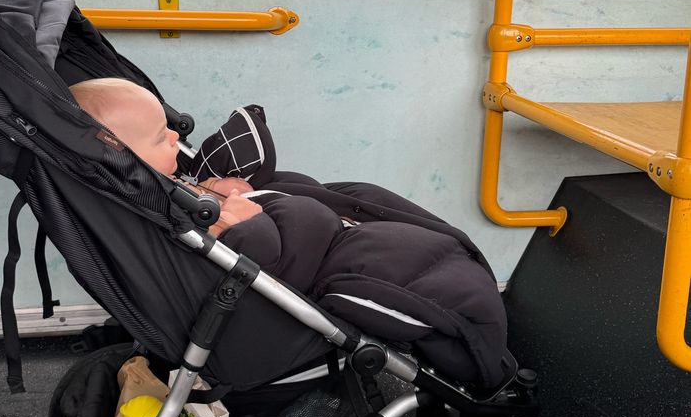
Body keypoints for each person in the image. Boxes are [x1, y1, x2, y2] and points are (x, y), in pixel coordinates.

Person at [69, 77, 508, 389]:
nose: (173, 137)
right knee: (408, 266)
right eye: (157, 137)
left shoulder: (152, 183)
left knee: (353, 202)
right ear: (121, 155)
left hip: (285, 225)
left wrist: (217, 188)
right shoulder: (163, 208)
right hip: (272, 280)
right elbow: (265, 253)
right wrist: (249, 218)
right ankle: (471, 351)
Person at [68, 77, 261, 237]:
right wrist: (238, 220)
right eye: (161, 137)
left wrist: (212, 187)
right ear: (127, 162)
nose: (175, 136)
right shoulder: (155, 205)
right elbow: (208, 234)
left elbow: (189, 189)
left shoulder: (162, 181)